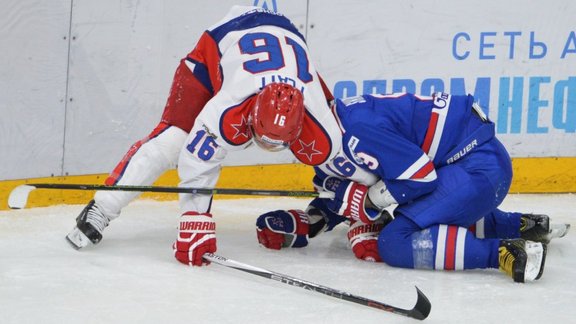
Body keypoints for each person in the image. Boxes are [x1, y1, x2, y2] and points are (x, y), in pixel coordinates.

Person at [66, 5, 342, 266]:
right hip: (219, 45)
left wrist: (360, 204)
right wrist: (195, 218)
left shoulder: (321, 118)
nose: (265, 148)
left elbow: (353, 156)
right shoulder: (229, 107)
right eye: (261, 138)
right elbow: (197, 160)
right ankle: (101, 208)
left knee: (330, 154)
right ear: (251, 113)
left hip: (285, 38)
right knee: (172, 141)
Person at [256, 92, 570, 283]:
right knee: (418, 211)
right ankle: (523, 225)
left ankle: (507, 253)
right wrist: (311, 222)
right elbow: (349, 189)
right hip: (467, 168)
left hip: (479, 169)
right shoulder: (329, 125)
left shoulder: (355, 132)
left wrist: (370, 203)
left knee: (395, 240)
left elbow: (418, 178)